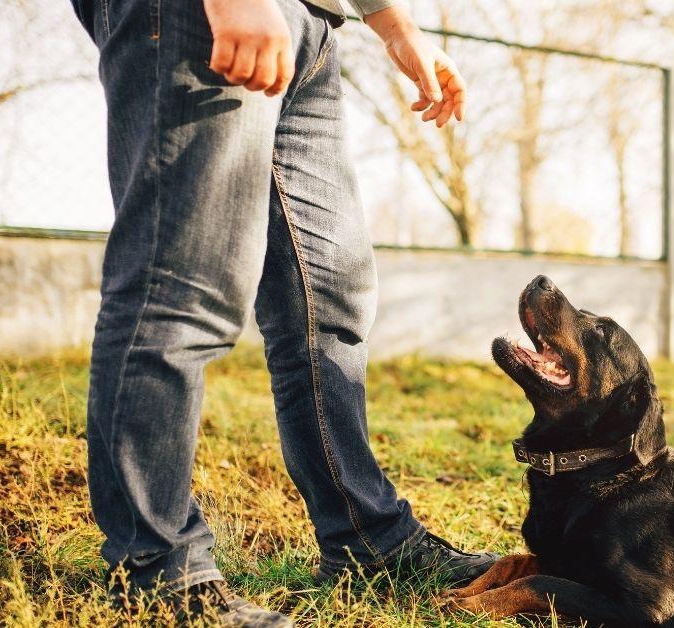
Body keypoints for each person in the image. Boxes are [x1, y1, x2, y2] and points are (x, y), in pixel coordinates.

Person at [67, 0, 496, 623]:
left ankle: (368, 540)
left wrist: (394, 24)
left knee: (328, 298)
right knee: (181, 288)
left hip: (315, 24)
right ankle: (156, 574)